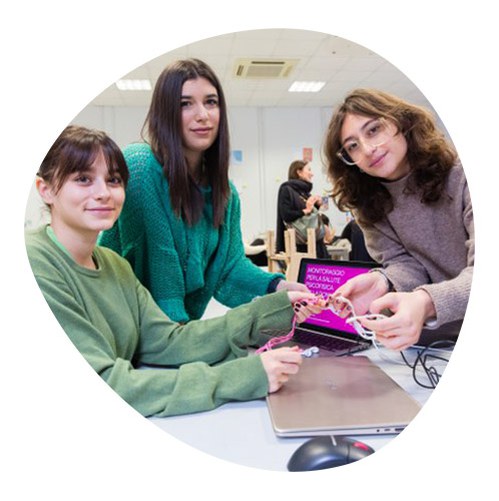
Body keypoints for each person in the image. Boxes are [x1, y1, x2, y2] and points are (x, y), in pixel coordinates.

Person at [26, 125, 325, 418]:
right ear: (46, 189)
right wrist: (239, 377)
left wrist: (273, 308)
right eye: (83, 179)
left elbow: (169, 341)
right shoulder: (36, 263)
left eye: (114, 180)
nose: (103, 192)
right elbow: (107, 383)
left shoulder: (113, 265)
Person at [98, 58, 305, 323]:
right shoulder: (140, 166)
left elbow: (230, 268)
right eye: (185, 104)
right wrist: (192, 343)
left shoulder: (226, 194)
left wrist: (278, 288)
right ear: (165, 112)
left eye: (211, 102)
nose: (203, 115)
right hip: (124, 328)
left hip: (174, 335)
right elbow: (163, 278)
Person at [323, 88, 473, 351]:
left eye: (373, 130)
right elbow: (406, 264)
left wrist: (426, 302)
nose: (368, 150)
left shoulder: (463, 178)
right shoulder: (369, 202)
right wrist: (383, 281)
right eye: (353, 146)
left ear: (400, 121)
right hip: (441, 343)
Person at [276, 160, 329, 259]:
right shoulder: (286, 189)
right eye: (309, 170)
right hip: (300, 246)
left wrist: (316, 205)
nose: (312, 174)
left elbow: (308, 217)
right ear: (299, 172)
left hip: (314, 242)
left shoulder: (303, 192)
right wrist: (305, 210)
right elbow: (286, 215)